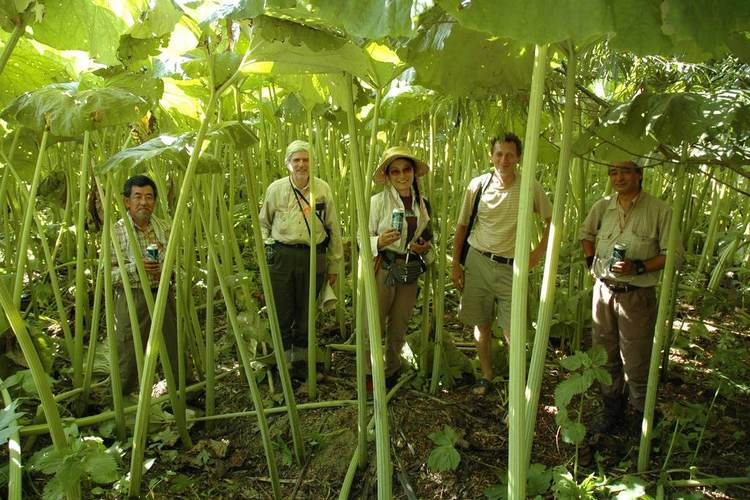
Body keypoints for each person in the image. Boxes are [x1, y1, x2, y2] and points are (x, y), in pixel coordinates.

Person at [579, 160, 681, 432]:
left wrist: (638, 266)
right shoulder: (602, 207)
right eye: (613, 172)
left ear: (639, 174)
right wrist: (591, 262)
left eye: (625, 171)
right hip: (603, 292)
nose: (619, 177)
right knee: (604, 353)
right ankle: (611, 407)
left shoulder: (660, 210)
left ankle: (642, 414)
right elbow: (586, 235)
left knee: (636, 358)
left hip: (637, 295)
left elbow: (672, 255)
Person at [452, 133, 552, 396]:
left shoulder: (530, 186)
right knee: (481, 325)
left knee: (513, 331)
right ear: (491, 156)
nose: (503, 160)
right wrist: (455, 265)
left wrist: (537, 253)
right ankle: (486, 375)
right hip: (478, 261)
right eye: (499, 154)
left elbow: (552, 221)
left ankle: (516, 386)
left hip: (513, 268)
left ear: (518, 158)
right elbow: (462, 227)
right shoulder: (478, 185)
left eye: (509, 154)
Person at [259, 140, 343, 379]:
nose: (301, 164)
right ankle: (284, 363)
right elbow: (263, 223)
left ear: (312, 162)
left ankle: (302, 362)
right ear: (288, 164)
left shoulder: (322, 189)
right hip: (282, 256)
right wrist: (268, 250)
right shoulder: (276, 189)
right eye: (296, 160)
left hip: (313, 255)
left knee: (307, 311)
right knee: (282, 309)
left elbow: (333, 228)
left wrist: (335, 264)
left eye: (305, 159)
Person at [367, 146, 433, 388]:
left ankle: (391, 371)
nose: (402, 175)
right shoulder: (376, 202)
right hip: (384, 267)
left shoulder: (423, 205)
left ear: (414, 173)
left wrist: (423, 248)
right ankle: (369, 374)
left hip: (409, 270)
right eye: (395, 171)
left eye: (406, 170)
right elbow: (360, 237)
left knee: (399, 324)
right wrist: (378, 241)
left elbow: (429, 240)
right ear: (388, 176)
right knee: (373, 324)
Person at [111, 174, 179, 395]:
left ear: (155, 202)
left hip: (163, 292)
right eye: (137, 197)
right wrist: (134, 267)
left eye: (149, 197)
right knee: (128, 349)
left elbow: (180, 265)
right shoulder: (116, 231)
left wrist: (167, 272)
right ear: (126, 201)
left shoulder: (165, 228)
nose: (143, 202)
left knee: (174, 344)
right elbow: (106, 273)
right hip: (132, 295)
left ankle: (183, 390)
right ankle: (126, 397)